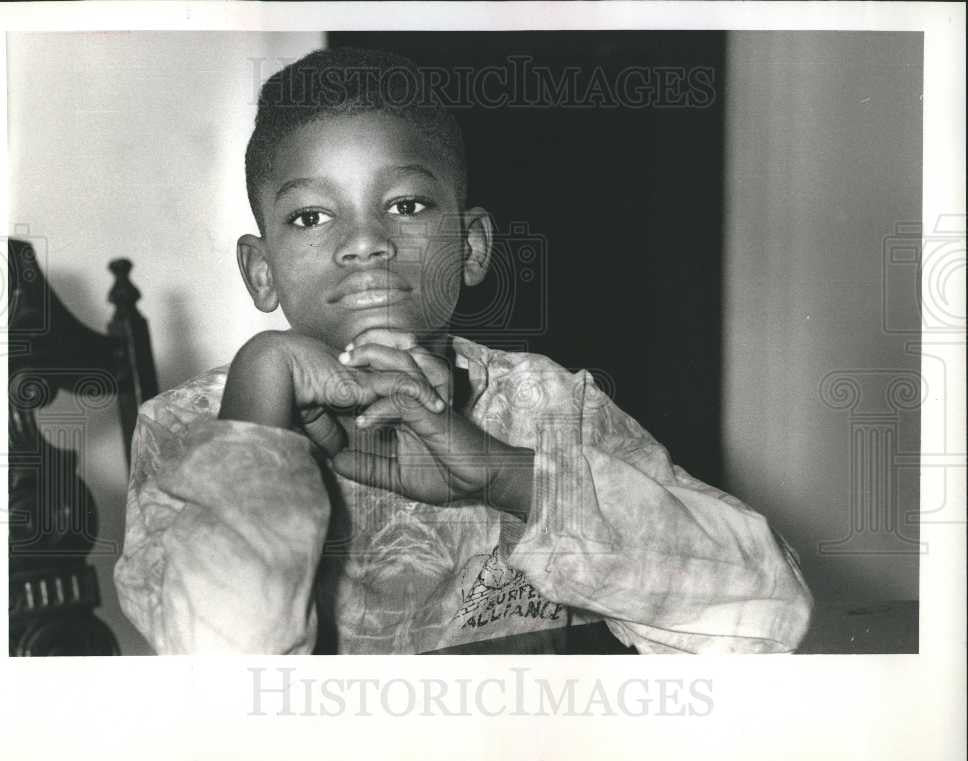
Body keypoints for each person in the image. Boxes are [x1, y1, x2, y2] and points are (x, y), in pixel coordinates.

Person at [114, 47, 813, 655]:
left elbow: (769, 610)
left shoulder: (550, 407)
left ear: (472, 246)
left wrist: (501, 475)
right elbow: (221, 676)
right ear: (261, 271)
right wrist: (262, 390)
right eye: (310, 216)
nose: (364, 241)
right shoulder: (186, 429)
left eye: (407, 205)